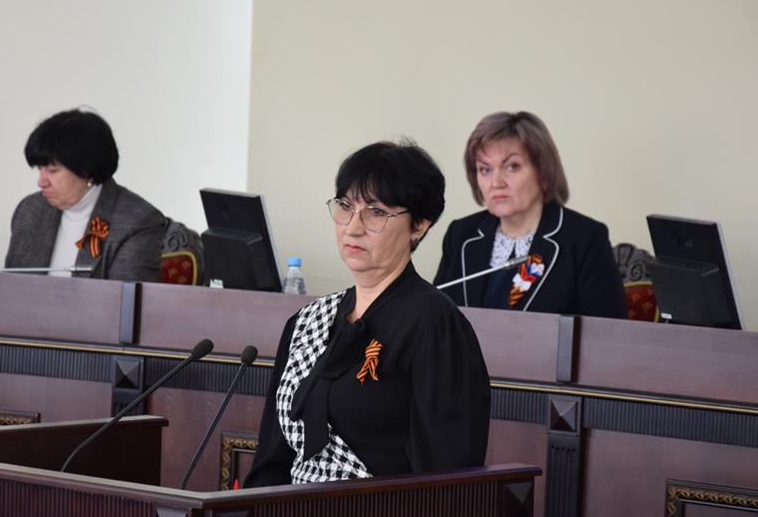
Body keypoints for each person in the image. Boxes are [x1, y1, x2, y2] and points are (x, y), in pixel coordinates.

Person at [245, 141, 491, 487]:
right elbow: (271, 463)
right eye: (346, 206)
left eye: (376, 212)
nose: (353, 227)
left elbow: (446, 477)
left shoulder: (435, 324)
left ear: (420, 225)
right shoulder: (307, 321)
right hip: (292, 515)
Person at [434, 111, 626, 318]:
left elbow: (608, 333)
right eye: (485, 170)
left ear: (544, 173)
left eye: (512, 166)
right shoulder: (461, 235)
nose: (496, 183)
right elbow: (435, 320)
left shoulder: (585, 239)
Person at [4, 109, 166, 282]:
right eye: (39, 169)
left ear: (86, 170)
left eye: (52, 170)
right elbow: (9, 289)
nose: (41, 182)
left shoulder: (137, 222)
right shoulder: (30, 210)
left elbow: (124, 297)